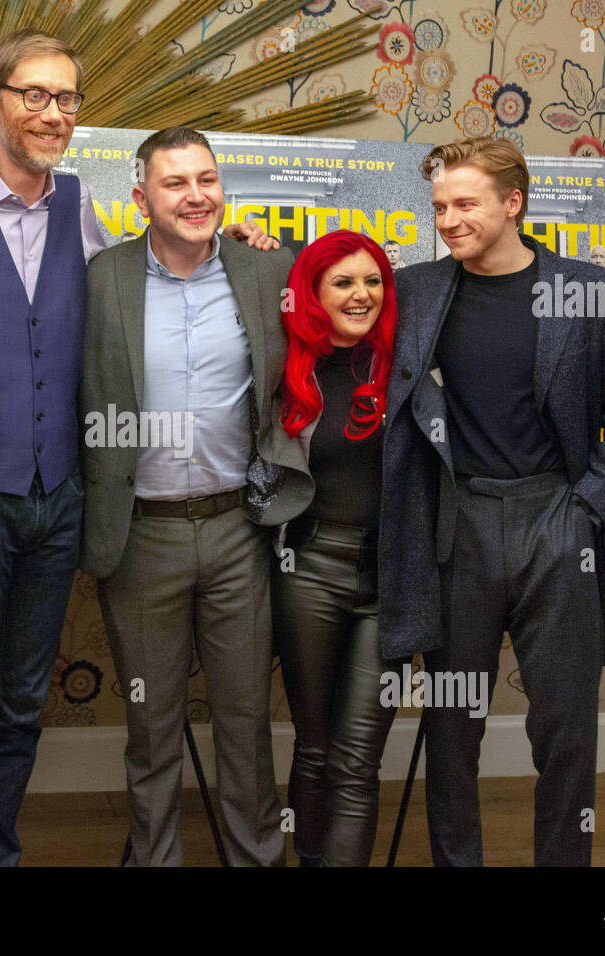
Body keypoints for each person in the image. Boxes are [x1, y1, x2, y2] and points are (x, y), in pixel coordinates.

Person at [0, 31, 273, 866]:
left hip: (57, 496)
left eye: (66, 99)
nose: (51, 113)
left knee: (23, 698)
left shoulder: (79, 208)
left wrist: (238, 253)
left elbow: (133, 290)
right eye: (34, 94)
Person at [381, 136, 605, 866]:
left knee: (566, 734)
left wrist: (586, 509)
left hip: (555, 526)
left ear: (514, 202)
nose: (448, 219)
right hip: (456, 526)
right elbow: (331, 300)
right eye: (439, 205)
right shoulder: (417, 292)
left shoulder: (588, 291)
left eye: (465, 203)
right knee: (450, 731)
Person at [79, 126, 307, 867]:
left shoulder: (264, 270)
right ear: (141, 197)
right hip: (144, 532)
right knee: (151, 724)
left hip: (238, 528)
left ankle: (258, 858)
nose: (195, 195)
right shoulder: (99, 276)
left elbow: (337, 333)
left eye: (206, 179)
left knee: (246, 721)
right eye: (175, 183)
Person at [271, 229, 401, 866]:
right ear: (313, 293)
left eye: (373, 280)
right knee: (315, 748)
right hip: (309, 570)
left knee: (358, 760)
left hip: (393, 581)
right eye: (343, 282)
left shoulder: (405, 365)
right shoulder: (286, 365)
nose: (361, 294)